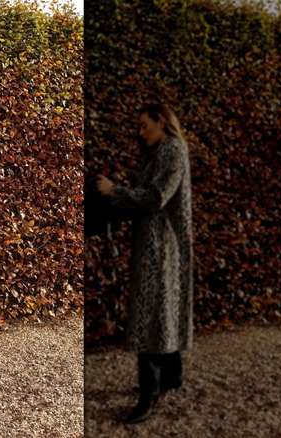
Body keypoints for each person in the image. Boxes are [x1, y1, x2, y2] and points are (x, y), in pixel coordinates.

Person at [96, 103, 193, 424]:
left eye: (144, 125)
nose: (140, 132)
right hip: (157, 244)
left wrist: (115, 191)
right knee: (162, 310)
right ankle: (170, 377)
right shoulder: (163, 152)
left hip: (161, 246)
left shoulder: (172, 151)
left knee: (151, 313)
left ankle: (149, 393)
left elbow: (155, 197)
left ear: (162, 122)